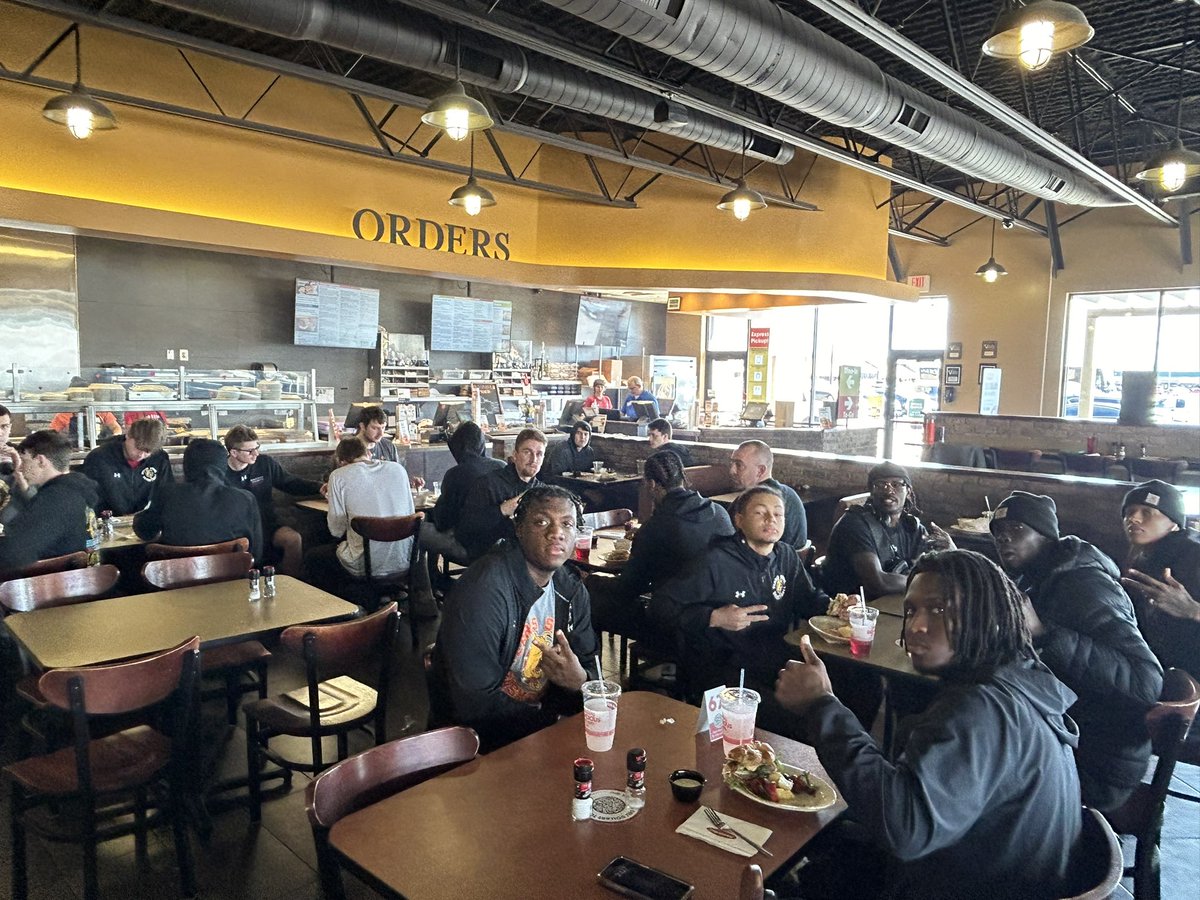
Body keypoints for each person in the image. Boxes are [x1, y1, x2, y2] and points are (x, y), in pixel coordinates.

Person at [775, 550, 1082, 900]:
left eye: (939, 609)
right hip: (983, 869)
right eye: (911, 610)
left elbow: (905, 829)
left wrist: (821, 705)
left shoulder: (980, 709)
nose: (916, 626)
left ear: (989, 615)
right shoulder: (1020, 682)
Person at [990, 490, 1162, 812]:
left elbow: (1146, 682)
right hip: (1070, 734)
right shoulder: (1041, 578)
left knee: (973, 754)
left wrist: (1043, 634)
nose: (1004, 539)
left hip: (1099, 760)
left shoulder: (1083, 585)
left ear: (1045, 535)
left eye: (1016, 530)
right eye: (998, 532)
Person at [430, 485, 597, 752]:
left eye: (567, 524)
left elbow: (592, 674)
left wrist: (580, 681)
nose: (557, 533)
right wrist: (551, 721)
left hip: (540, 735)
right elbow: (474, 704)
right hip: (475, 750)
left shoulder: (571, 588)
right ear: (518, 529)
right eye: (542, 522)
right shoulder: (484, 590)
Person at [651, 484, 825, 718]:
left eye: (778, 513)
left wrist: (839, 608)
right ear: (739, 520)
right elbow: (660, 606)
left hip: (774, 662)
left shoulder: (786, 555)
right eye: (760, 512)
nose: (771, 519)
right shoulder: (715, 560)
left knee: (827, 699)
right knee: (790, 719)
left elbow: (810, 599)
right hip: (722, 667)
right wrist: (713, 617)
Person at [589, 449, 733, 640]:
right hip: (722, 614)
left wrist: (591, 580)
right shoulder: (719, 512)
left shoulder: (656, 527)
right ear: (682, 477)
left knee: (593, 596)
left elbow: (629, 588)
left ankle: (591, 665)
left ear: (652, 484)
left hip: (677, 624)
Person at [303, 436, 417, 596]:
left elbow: (336, 531)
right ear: (369, 454)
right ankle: (386, 596)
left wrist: (333, 499)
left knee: (314, 557)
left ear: (342, 462)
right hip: (404, 559)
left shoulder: (339, 475)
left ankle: (345, 609)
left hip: (365, 564)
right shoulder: (398, 469)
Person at [820, 461, 952, 599]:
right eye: (881, 485)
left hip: (891, 605)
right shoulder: (855, 524)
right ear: (871, 492)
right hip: (851, 612)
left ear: (908, 491)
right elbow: (878, 582)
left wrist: (951, 552)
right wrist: (926, 582)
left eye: (896, 484)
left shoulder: (913, 527)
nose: (889, 490)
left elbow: (931, 568)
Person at [1118, 480, 1200, 689]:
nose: (1134, 518)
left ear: (1174, 522)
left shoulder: (1194, 554)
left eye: (1147, 512)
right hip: (1157, 670)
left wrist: (1193, 611)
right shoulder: (1145, 554)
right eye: (1130, 512)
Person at [133, 438, 263, 563]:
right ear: (222, 464)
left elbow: (144, 531)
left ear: (187, 464)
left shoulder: (167, 494)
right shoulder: (245, 499)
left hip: (177, 580)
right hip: (231, 578)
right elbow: (255, 552)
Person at [223, 424, 320, 577]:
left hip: (267, 524)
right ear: (233, 452)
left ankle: (292, 586)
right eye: (249, 451)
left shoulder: (264, 463)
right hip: (237, 530)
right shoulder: (220, 472)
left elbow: (290, 483)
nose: (256, 453)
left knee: (293, 539)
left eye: (257, 447)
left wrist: (320, 488)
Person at [0, 431, 99, 574]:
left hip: (56, 585)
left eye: (24, 460)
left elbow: (17, 552)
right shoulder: (75, 489)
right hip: (83, 578)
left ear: (40, 460)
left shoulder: (57, 497)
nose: (20, 468)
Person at [421, 421, 504, 566]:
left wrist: (431, 515)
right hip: (498, 545)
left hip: (466, 546)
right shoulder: (502, 467)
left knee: (417, 530)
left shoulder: (455, 474)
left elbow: (443, 522)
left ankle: (430, 580)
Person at [457, 428, 546, 562]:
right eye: (527, 452)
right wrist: (502, 510)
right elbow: (465, 529)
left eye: (539, 454)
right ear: (515, 455)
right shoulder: (488, 484)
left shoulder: (542, 490)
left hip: (529, 555)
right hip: (490, 557)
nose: (534, 459)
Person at [81, 416, 174, 515]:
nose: (141, 455)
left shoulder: (160, 459)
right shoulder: (99, 457)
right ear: (128, 435)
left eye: (147, 451)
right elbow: (88, 497)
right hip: (107, 520)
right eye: (138, 447)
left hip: (145, 520)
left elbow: (167, 493)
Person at [728, 440, 807, 548]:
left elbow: (728, 542)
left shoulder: (747, 502)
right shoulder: (790, 493)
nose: (732, 470)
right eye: (732, 463)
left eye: (739, 465)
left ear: (760, 471)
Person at [0, 404, 33, 527]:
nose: (0, 433)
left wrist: (18, 464)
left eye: (4, 426)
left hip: (16, 527)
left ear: (10, 427)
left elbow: (33, 498)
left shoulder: (23, 454)